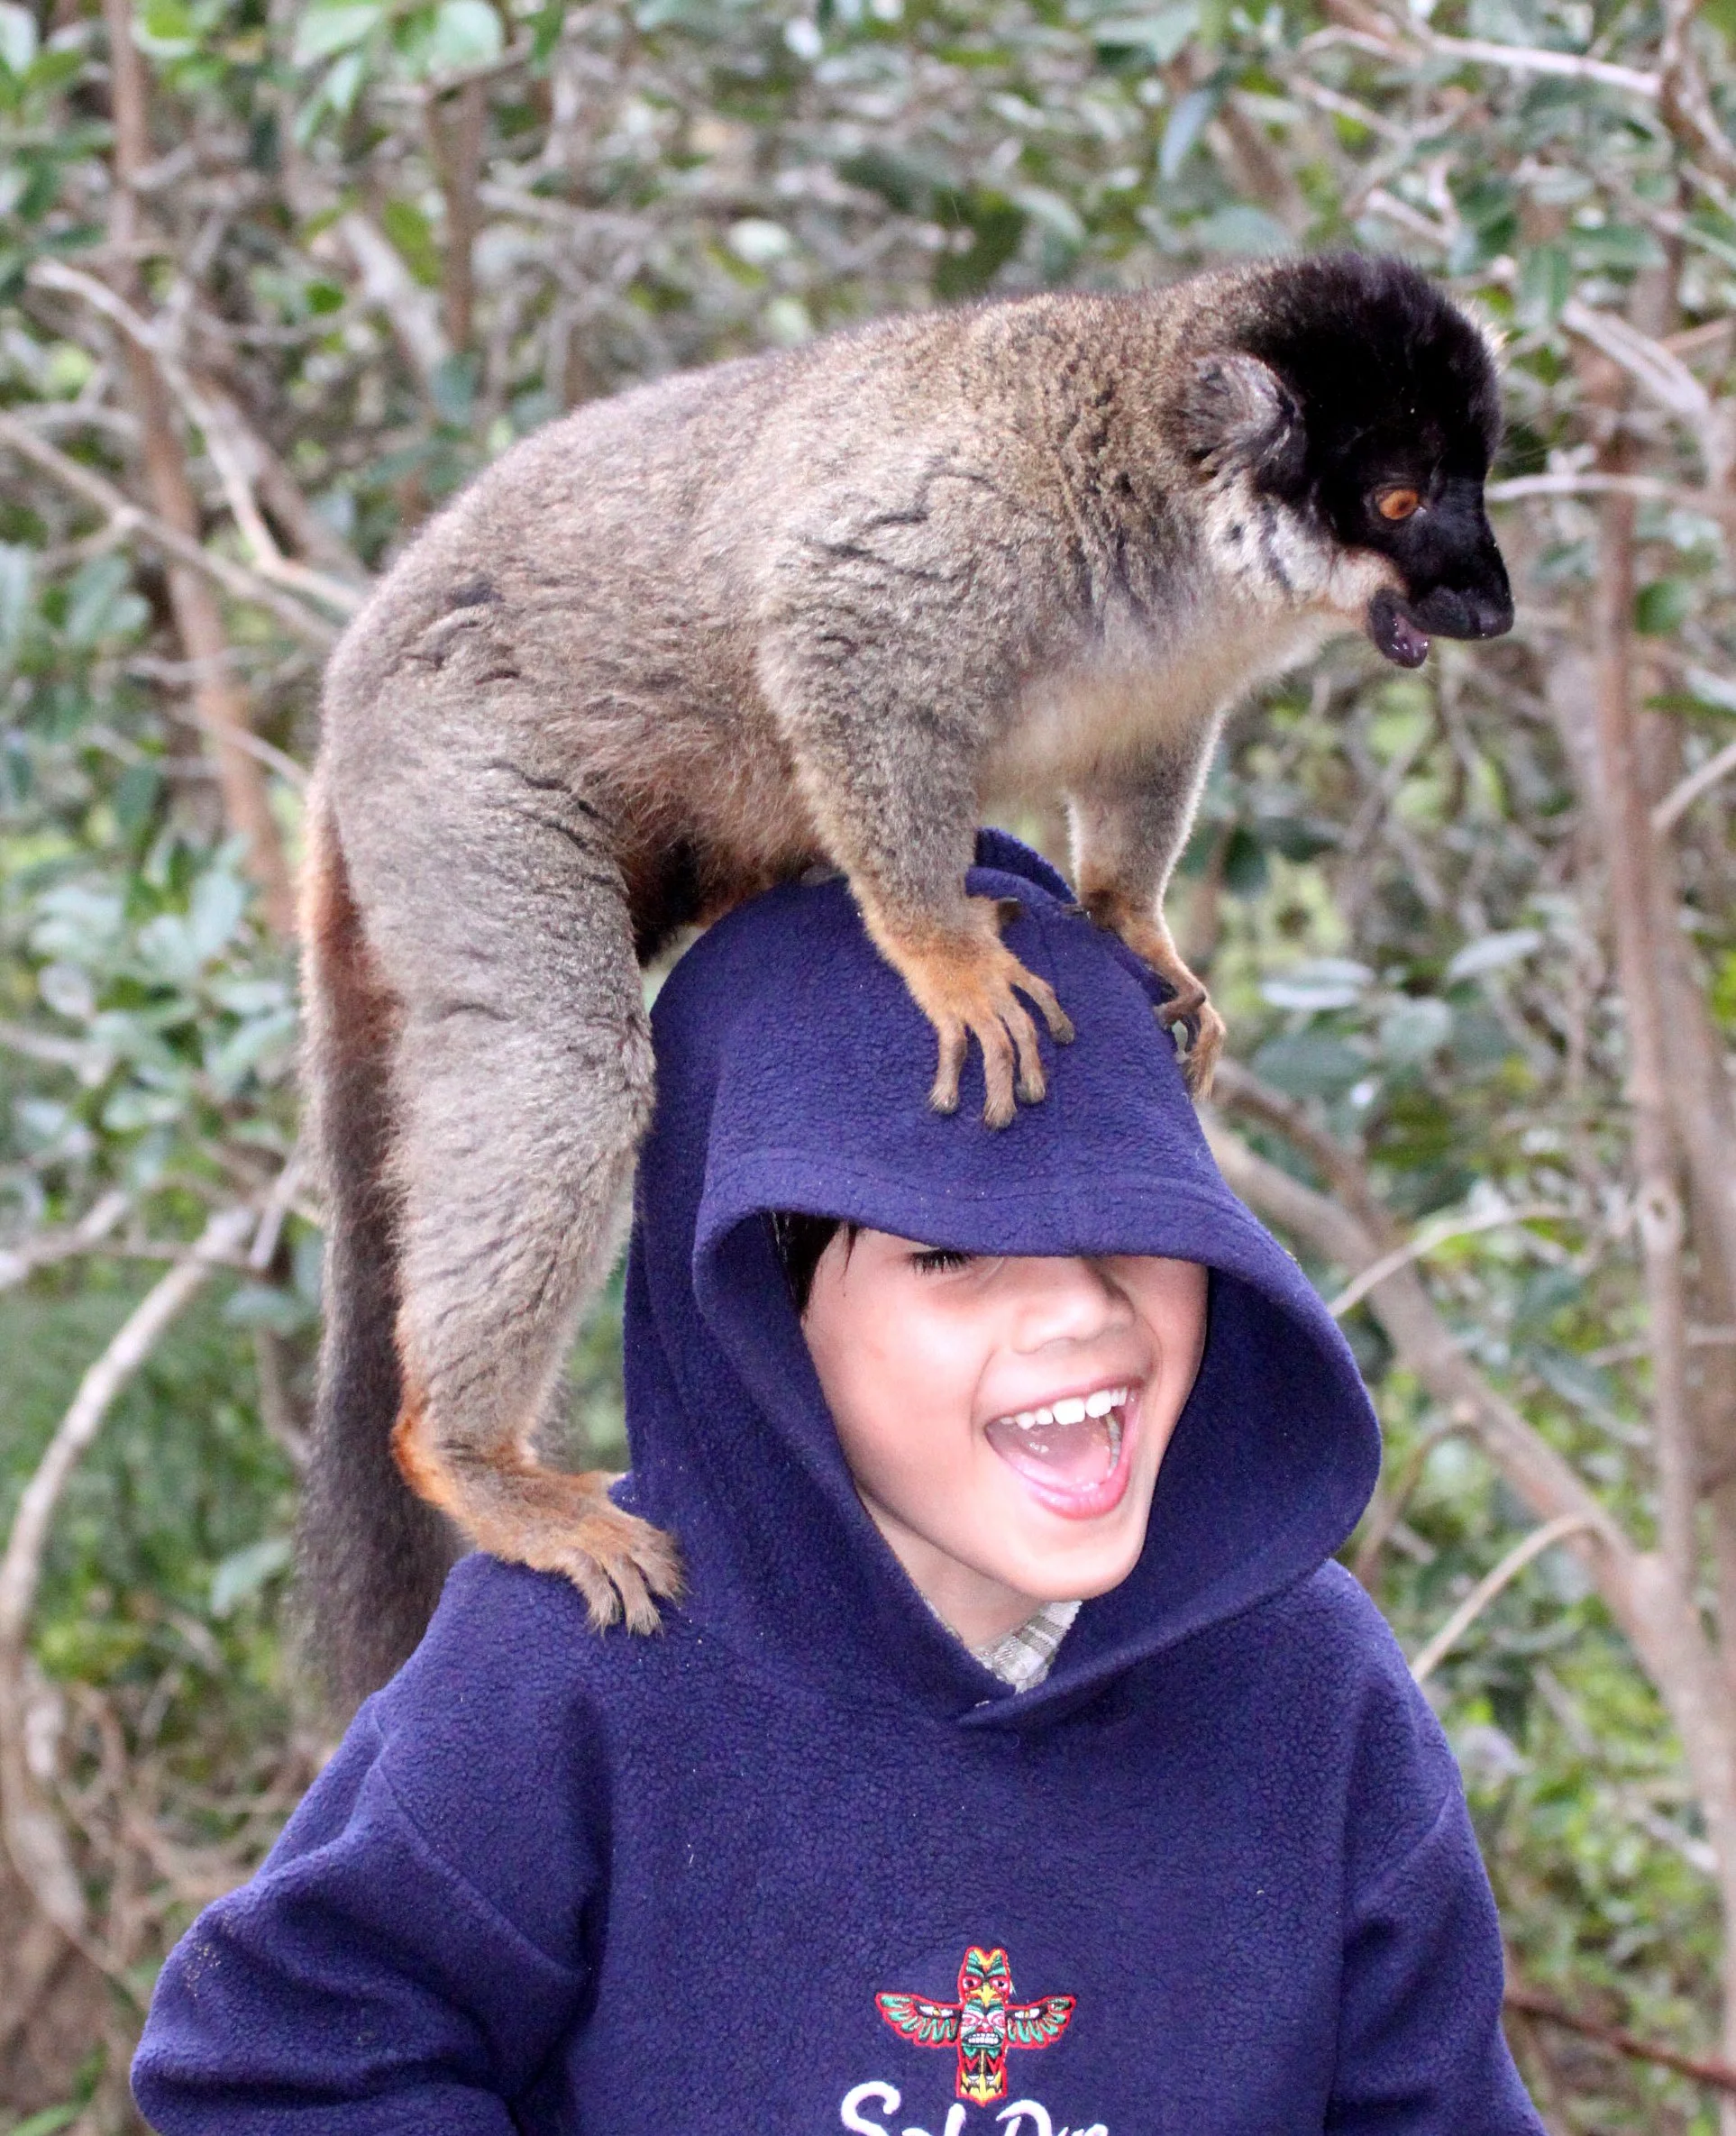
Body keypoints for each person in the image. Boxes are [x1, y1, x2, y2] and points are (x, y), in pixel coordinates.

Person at [132, 831, 1544, 2136]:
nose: (1078, 1314)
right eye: (949, 1252)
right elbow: (274, 2060)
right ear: (755, 1310)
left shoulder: (1308, 1688)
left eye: (1126, 1219)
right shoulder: (579, 1655)